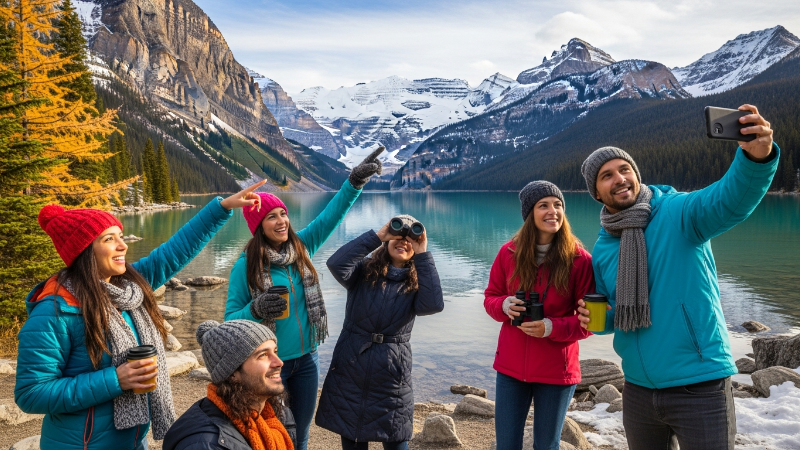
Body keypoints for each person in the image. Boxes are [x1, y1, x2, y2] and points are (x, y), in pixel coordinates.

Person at [576, 104, 778, 450]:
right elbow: (614, 315)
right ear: (596, 192)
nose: (619, 178)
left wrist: (757, 157)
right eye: (606, 175)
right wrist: (596, 320)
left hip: (699, 384)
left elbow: (729, 199)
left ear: (636, 174)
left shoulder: (679, 212)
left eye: (624, 169)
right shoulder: (606, 244)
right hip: (638, 389)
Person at [14, 181, 267, 450]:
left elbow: (174, 252)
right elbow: (31, 393)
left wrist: (223, 207)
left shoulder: (128, 287)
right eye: (109, 239)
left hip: (134, 442)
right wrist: (115, 380)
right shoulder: (55, 310)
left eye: (120, 236)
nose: (122, 246)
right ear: (84, 251)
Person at [225, 147, 385, 450]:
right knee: (272, 437)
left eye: (283, 213)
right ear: (258, 226)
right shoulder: (244, 267)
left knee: (300, 437)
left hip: (307, 360)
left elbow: (330, 217)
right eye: (271, 217)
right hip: (270, 365)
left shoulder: (301, 247)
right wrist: (255, 308)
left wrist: (353, 182)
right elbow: (230, 321)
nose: (281, 221)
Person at [315, 215, 444, 450]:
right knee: (352, 437)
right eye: (398, 236)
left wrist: (423, 252)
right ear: (387, 240)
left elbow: (433, 305)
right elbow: (336, 264)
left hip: (392, 374)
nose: (403, 242)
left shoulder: (417, 282)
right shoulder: (363, 271)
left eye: (410, 239)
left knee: (396, 439)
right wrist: (377, 236)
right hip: (352, 367)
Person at [484, 181, 594, 450]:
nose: (552, 211)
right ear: (529, 213)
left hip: (557, 370)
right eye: (543, 205)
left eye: (558, 205)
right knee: (507, 445)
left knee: (547, 445)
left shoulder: (579, 260)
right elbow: (490, 298)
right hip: (511, 368)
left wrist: (551, 327)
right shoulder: (508, 253)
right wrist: (504, 305)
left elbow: (589, 322)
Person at [163, 320, 296, 450]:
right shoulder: (207, 444)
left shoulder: (274, 413)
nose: (279, 362)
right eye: (263, 355)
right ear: (232, 373)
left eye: (275, 351)